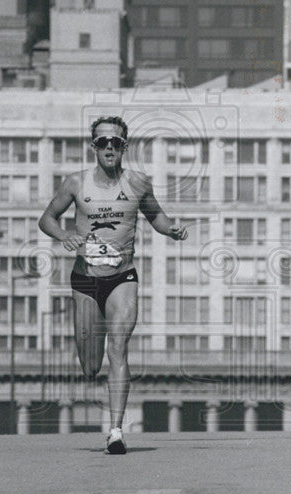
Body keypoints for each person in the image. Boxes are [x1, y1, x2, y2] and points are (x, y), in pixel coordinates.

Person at [38, 116, 188, 454]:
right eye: (103, 142)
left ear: (124, 147)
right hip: (86, 281)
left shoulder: (137, 183)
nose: (109, 147)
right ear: (93, 146)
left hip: (123, 277)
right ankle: (95, 378)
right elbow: (46, 218)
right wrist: (65, 235)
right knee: (90, 366)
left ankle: (116, 430)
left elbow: (156, 216)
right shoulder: (75, 184)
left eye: (116, 143)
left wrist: (172, 229)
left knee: (117, 347)